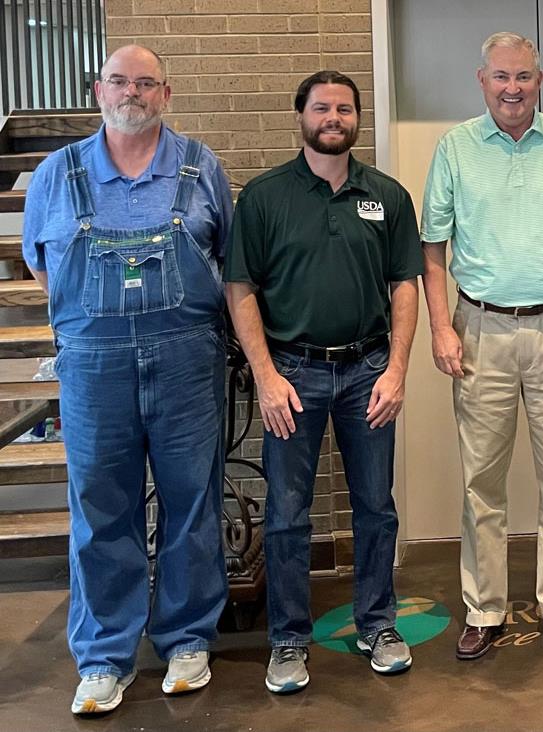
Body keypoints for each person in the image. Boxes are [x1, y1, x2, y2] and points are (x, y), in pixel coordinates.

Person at [21, 44, 232, 714]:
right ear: (98, 89)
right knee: (100, 509)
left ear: (166, 94)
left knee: (191, 501)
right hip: (93, 369)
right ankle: (105, 658)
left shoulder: (202, 169)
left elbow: (228, 261)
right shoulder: (58, 174)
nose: (131, 93)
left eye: (146, 83)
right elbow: (40, 271)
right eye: (120, 81)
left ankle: (187, 641)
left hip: (187, 366)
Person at [225, 70, 424, 691]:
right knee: (287, 513)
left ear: (357, 118)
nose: (332, 117)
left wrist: (396, 369)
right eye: (321, 108)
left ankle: (378, 623)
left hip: (368, 370)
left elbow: (405, 285)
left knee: (376, 507)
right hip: (292, 374)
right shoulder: (263, 197)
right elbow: (240, 288)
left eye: (343, 108)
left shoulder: (386, 196)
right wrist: (264, 375)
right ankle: (288, 639)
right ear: (301, 116)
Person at [420, 32, 543, 659]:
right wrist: (442, 326)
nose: (513, 88)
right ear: (482, 80)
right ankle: (484, 608)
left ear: (540, 79)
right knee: (482, 480)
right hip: (480, 330)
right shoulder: (454, 148)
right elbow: (434, 248)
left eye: (523, 77)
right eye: (501, 77)